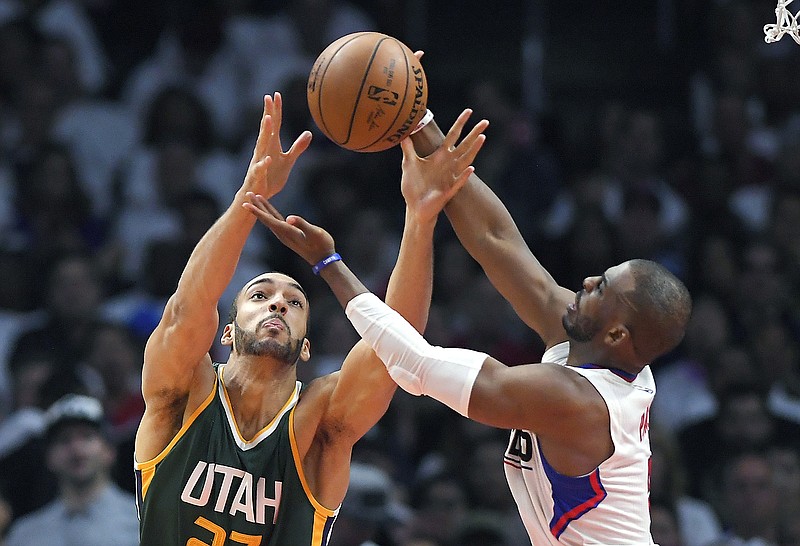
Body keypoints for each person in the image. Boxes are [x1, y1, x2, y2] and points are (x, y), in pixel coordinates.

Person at [247, 108, 692, 545]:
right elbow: (497, 241)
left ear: (616, 335)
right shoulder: (596, 347)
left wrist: (328, 264)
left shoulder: (576, 401)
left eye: (602, 288)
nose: (588, 281)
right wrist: (419, 122)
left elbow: (416, 364)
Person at [133, 92, 485, 545]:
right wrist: (250, 198)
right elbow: (186, 311)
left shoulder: (318, 423)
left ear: (306, 345)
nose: (278, 304)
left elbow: (399, 345)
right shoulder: (184, 396)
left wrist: (420, 217)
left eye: (295, 302)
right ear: (226, 331)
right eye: (260, 295)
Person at [4, 394, 139, 546]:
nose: (76, 449)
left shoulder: (142, 525)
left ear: (109, 451)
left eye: (87, 437)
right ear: (49, 458)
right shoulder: (25, 535)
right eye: (64, 439)